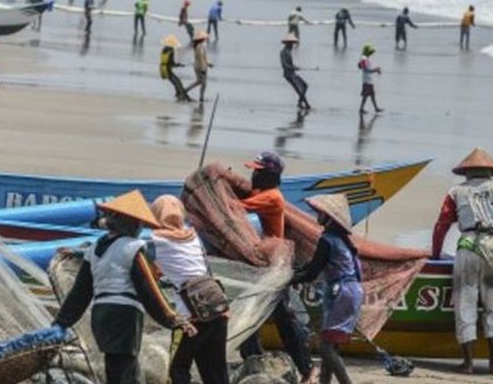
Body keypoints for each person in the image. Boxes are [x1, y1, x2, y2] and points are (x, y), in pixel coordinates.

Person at [54, 191, 197, 384]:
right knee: (122, 371)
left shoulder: (94, 249)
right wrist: (174, 319)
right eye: (138, 224)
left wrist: (61, 323)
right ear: (132, 224)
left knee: (122, 368)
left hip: (101, 316)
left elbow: (80, 294)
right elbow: (150, 290)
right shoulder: (134, 248)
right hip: (124, 316)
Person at [431, 147, 493, 375]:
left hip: (468, 247)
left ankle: (469, 363)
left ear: (466, 172)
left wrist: (435, 253)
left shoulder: (456, 191)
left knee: (465, 302)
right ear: (490, 171)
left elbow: (442, 224)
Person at [238, 151, 319, 384]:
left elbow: (238, 206)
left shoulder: (271, 197)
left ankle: (307, 370)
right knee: (253, 316)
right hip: (266, 267)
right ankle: (254, 361)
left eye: (257, 172)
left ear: (269, 176)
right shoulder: (265, 194)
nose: (253, 175)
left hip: (274, 268)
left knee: (282, 320)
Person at [150, 195, 229, 384]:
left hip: (189, 316)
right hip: (217, 307)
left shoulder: (155, 241)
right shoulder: (193, 236)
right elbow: (206, 269)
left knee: (177, 368)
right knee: (215, 370)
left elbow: (139, 264)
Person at [291, 194, 362, 384]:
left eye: (320, 213)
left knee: (326, 348)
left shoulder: (327, 240)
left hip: (342, 293)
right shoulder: (342, 239)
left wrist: (289, 279)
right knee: (330, 344)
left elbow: (312, 273)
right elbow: (312, 267)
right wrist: (298, 273)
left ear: (329, 217)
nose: (317, 215)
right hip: (350, 290)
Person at [280, 34, 311, 110]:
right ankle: (307, 105)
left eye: (293, 43)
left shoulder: (288, 51)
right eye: (291, 43)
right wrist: (293, 67)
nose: (292, 45)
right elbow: (284, 65)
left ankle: (300, 103)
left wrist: (294, 66)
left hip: (292, 73)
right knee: (299, 89)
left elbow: (289, 64)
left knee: (305, 86)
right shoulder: (283, 52)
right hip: (288, 74)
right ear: (287, 43)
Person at [160, 35, 192, 102]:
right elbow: (172, 63)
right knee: (178, 83)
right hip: (168, 70)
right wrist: (179, 65)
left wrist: (176, 65)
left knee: (176, 82)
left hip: (162, 69)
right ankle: (185, 97)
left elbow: (166, 61)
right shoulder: (171, 50)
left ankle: (178, 94)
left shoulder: (164, 50)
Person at [185, 30, 213, 102]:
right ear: (202, 39)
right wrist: (203, 69)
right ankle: (201, 98)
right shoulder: (200, 47)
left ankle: (185, 90)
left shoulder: (197, 46)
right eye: (204, 38)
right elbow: (201, 58)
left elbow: (202, 58)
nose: (205, 38)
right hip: (201, 67)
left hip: (197, 66)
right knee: (203, 84)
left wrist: (208, 64)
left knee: (198, 82)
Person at [358, 44, 383, 114]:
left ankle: (376, 108)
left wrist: (375, 69)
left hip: (369, 80)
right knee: (366, 96)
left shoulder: (365, 59)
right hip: (367, 80)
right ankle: (361, 109)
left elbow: (360, 66)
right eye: (370, 52)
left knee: (372, 95)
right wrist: (376, 70)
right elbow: (366, 69)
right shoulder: (364, 59)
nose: (371, 54)